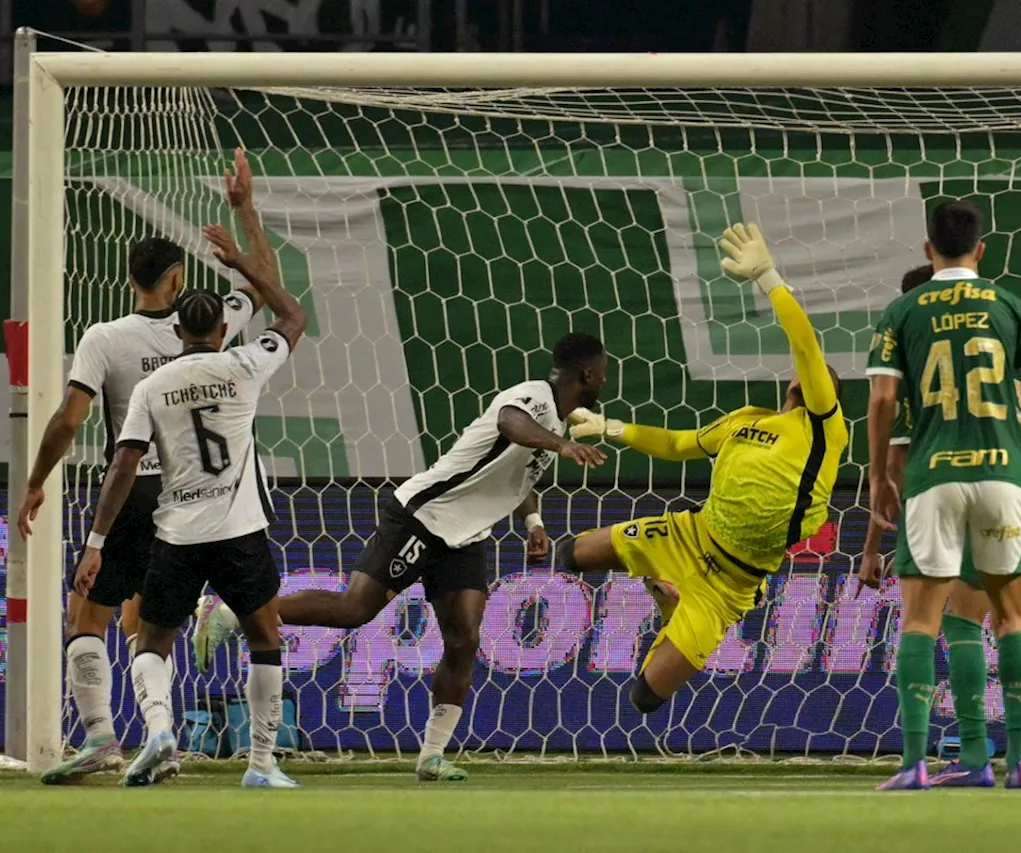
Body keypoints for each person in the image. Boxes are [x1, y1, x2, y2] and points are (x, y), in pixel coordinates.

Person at [192, 333, 609, 782]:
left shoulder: (555, 424)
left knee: (464, 638)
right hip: (423, 516)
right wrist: (561, 445)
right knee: (354, 610)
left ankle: (431, 754)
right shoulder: (534, 399)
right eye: (604, 370)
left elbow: (518, 473)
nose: (606, 377)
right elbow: (510, 422)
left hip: (465, 535)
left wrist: (533, 524)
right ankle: (232, 612)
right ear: (587, 374)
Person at [19, 152, 266, 785]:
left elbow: (70, 420)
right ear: (180, 278)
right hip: (192, 494)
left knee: (90, 616)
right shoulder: (215, 319)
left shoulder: (105, 337)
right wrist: (244, 214)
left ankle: (104, 737)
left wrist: (36, 481)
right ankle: (168, 735)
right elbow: (265, 282)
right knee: (149, 623)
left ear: (131, 279)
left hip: (128, 491)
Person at [72, 148, 307, 789]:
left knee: (148, 639)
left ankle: (159, 732)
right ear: (224, 324)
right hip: (238, 526)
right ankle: (261, 765)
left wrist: (94, 540)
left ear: (177, 328)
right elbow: (288, 309)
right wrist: (243, 231)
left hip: (175, 530)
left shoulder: (154, 386)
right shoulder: (246, 363)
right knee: (265, 636)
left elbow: (123, 463)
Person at [562, 223, 848, 713]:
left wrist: (769, 277)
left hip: (731, 582)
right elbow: (678, 444)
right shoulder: (744, 421)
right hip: (691, 534)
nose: (808, 376)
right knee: (574, 555)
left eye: (816, 375)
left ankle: (672, 605)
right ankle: (665, 589)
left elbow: (805, 344)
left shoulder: (824, 427)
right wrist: (610, 427)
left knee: (647, 695)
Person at [865, 200, 1021, 790]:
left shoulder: (902, 310)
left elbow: (880, 402)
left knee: (923, 622)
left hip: (933, 478)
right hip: (1005, 476)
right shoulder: (1010, 304)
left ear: (928, 251)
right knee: (1011, 618)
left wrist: (878, 478)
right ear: (981, 250)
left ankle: (914, 765)